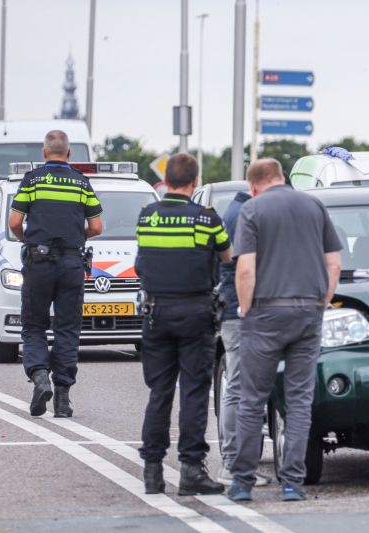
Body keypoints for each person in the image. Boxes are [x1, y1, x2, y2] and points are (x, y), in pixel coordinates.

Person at [228, 158, 342, 502]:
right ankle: (293, 483)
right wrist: (321, 303)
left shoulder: (252, 209)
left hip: (265, 313)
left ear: (253, 186)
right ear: (283, 178)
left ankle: (242, 483)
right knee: (299, 401)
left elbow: (245, 269)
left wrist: (245, 308)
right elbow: (334, 263)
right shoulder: (314, 205)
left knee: (252, 400)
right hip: (308, 313)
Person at [134, 153, 233, 496]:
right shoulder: (206, 218)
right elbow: (227, 257)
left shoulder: (147, 216)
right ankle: (191, 470)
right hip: (195, 314)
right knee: (193, 391)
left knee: (160, 392)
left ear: (166, 181)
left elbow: (142, 262)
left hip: (155, 313)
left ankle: (152, 471)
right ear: (195, 181)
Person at [8, 130, 103, 418]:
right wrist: (76, 236)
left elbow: (14, 222)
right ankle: (62, 401)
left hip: (38, 263)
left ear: (44, 152)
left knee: (34, 325)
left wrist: (26, 240)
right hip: (71, 265)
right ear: (69, 153)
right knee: (67, 329)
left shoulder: (32, 180)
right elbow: (97, 227)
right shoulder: (81, 182)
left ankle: (40, 378)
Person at [216, 184, 271, 487]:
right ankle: (233, 465)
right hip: (240, 311)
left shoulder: (239, 210)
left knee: (240, 387)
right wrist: (247, 309)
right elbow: (244, 269)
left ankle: (236, 463)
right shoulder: (243, 214)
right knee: (237, 387)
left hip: (238, 308)